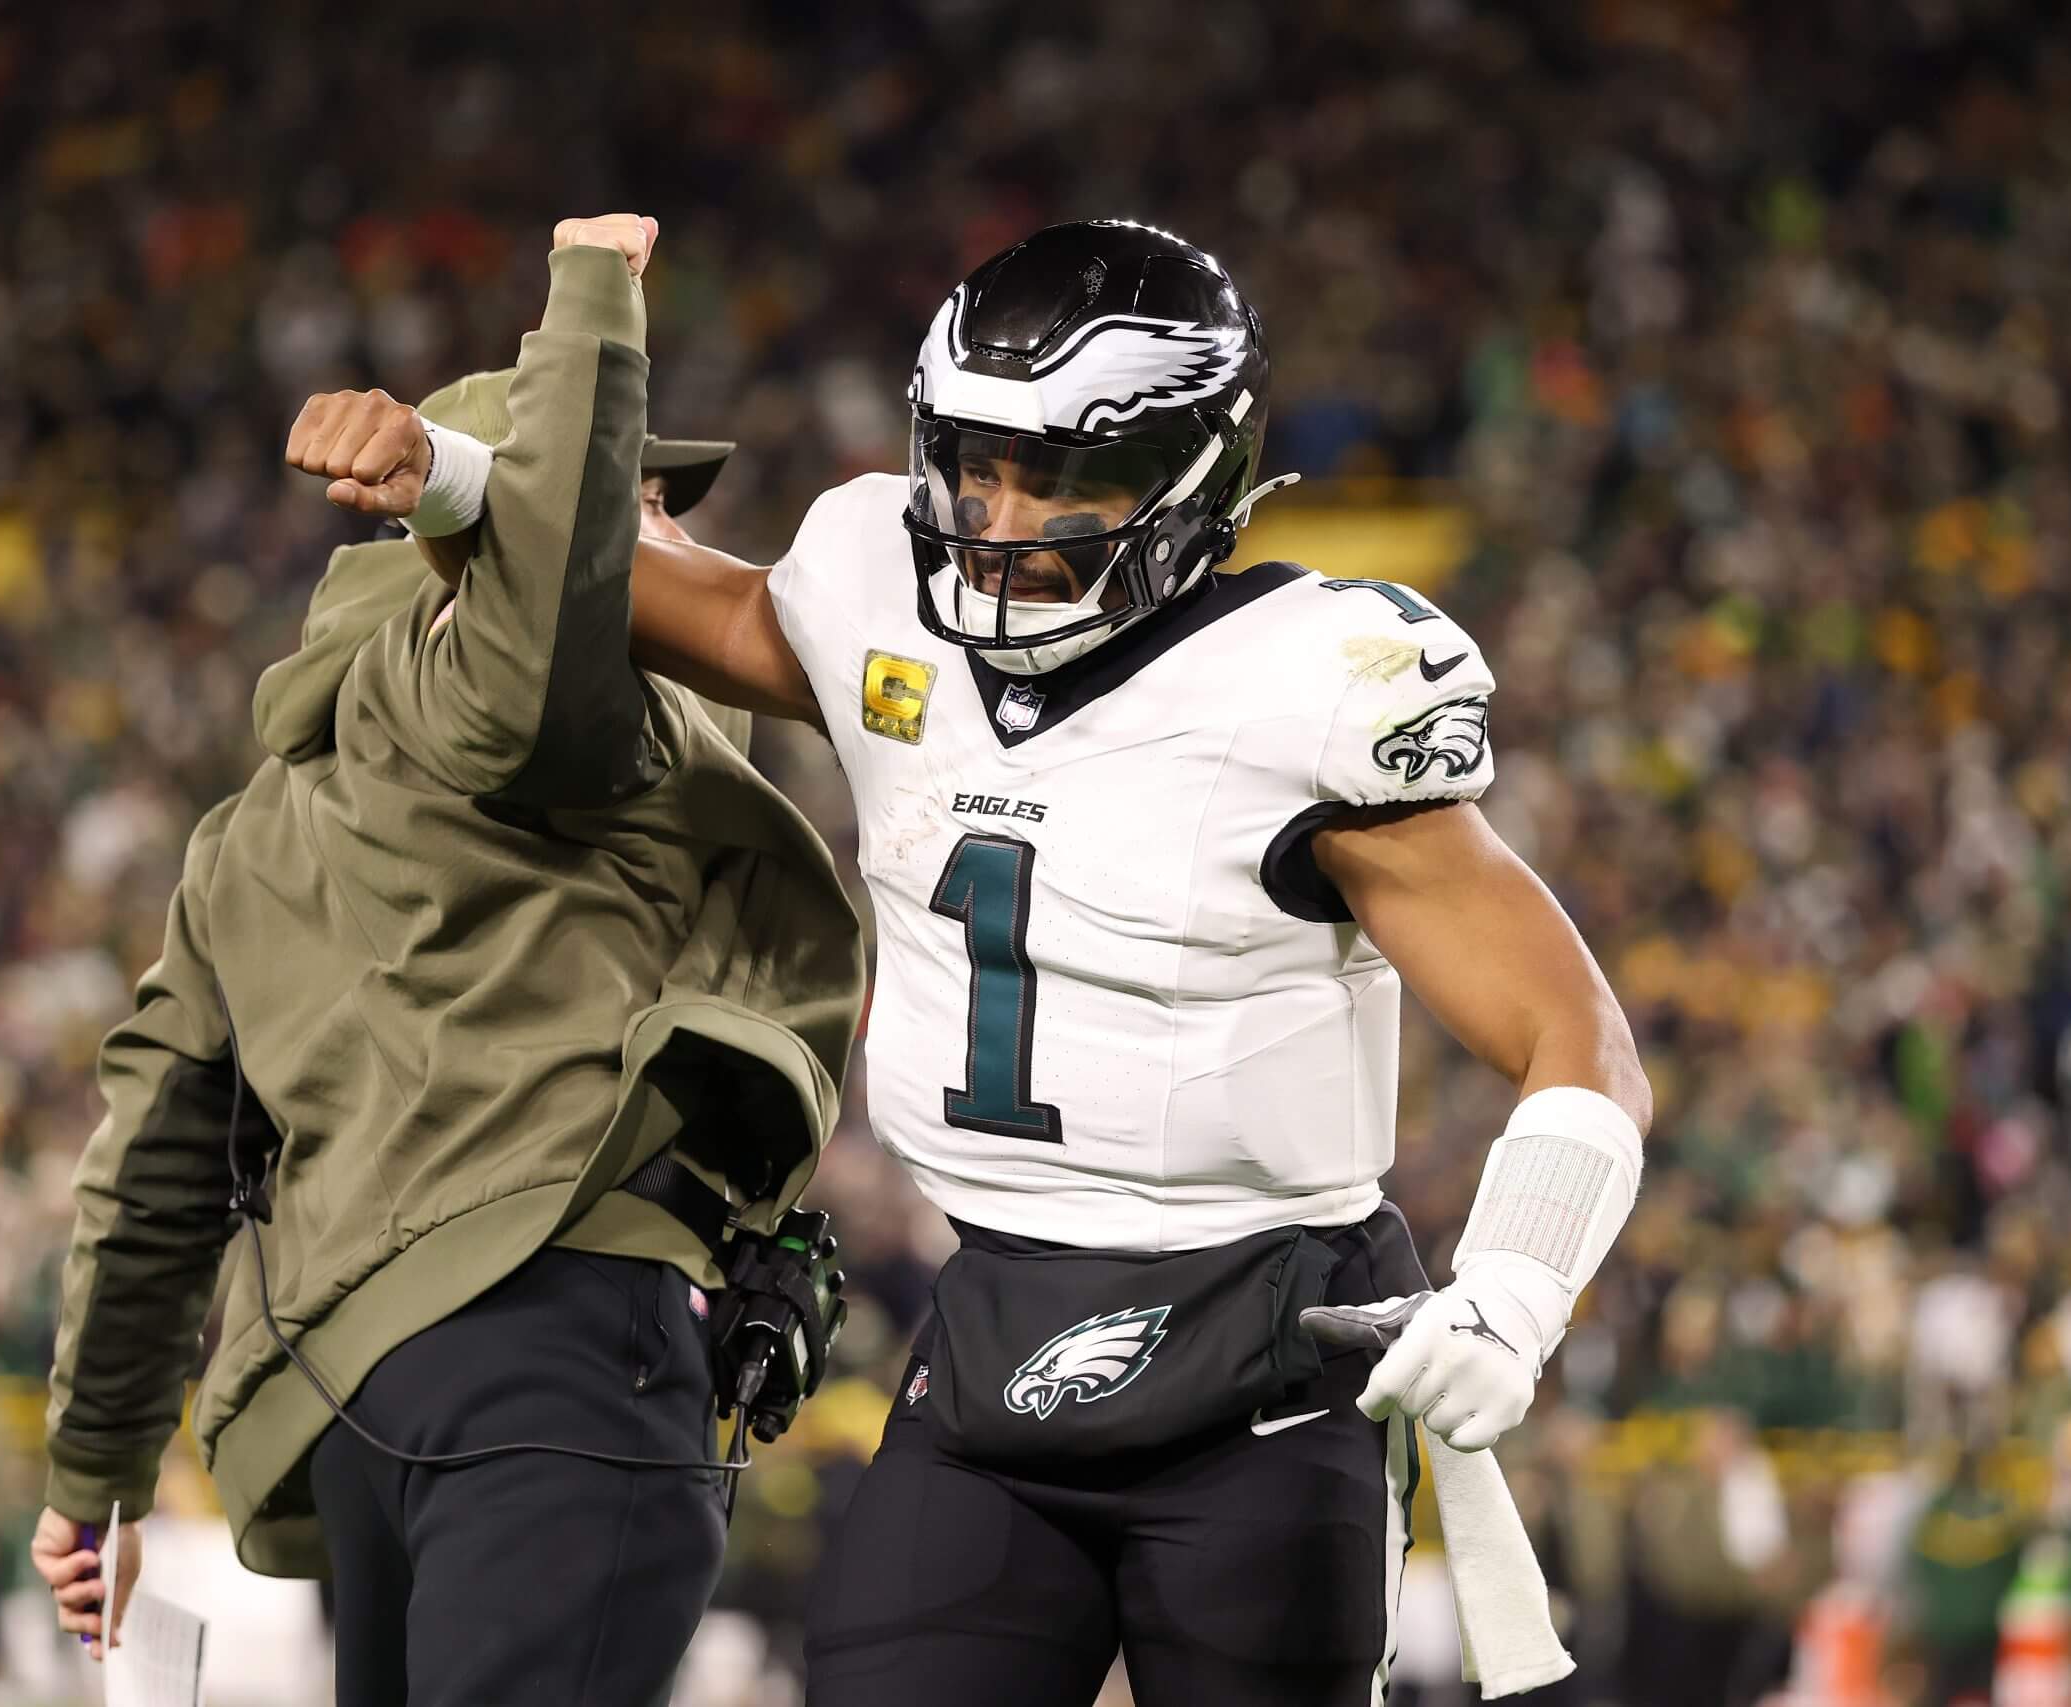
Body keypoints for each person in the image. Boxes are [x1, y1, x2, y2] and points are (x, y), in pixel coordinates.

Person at [321, 216, 1651, 1705]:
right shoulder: (875, 600)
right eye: (981, 463)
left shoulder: (1306, 693)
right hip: (995, 1327)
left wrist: (1517, 1293)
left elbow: (1576, 1036)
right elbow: (657, 589)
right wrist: (449, 477)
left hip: (1264, 1364)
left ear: (1189, 477)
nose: (1006, 517)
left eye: (1068, 476)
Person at [27, 214, 867, 1707]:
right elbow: (544, 618)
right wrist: (590, 302)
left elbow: (156, 1158)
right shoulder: (479, 684)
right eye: (635, 503)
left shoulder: (247, 837)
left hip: (369, 1401)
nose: (667, 538)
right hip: (555, 1351)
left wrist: (93, 1473)